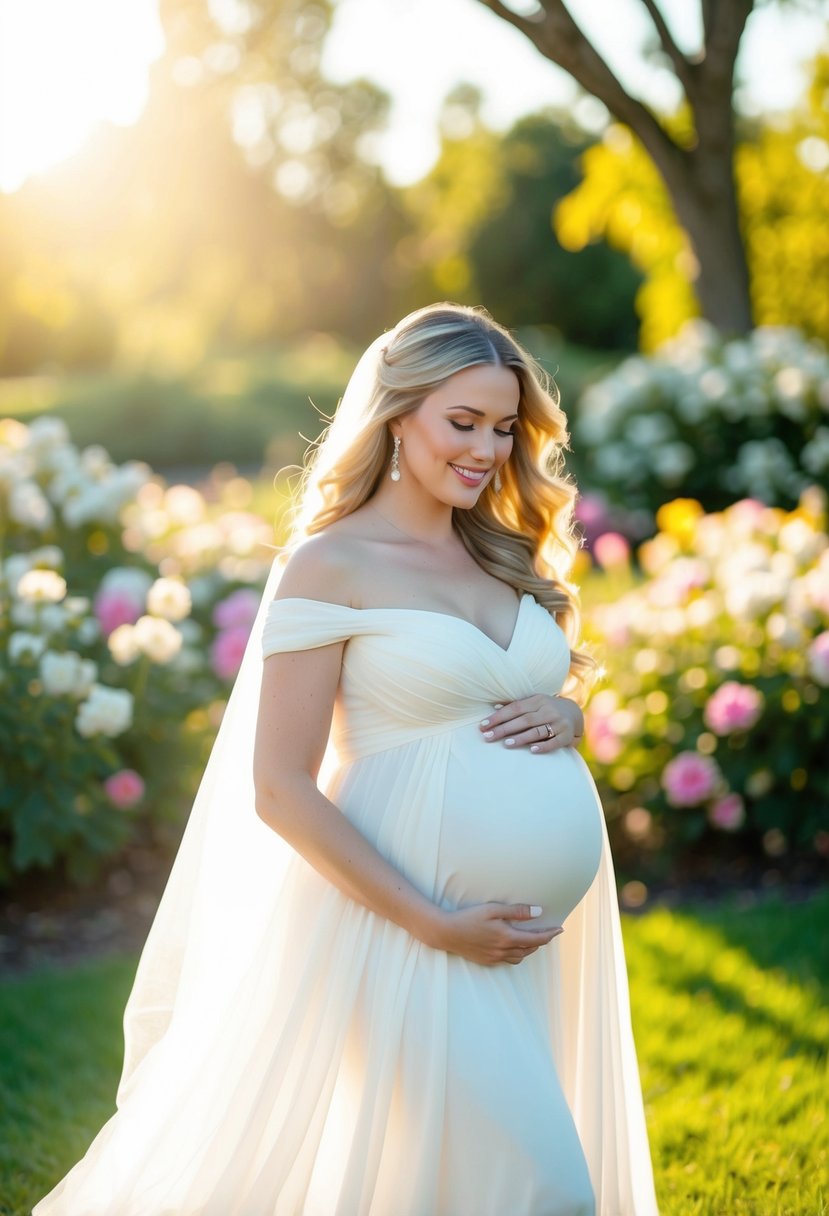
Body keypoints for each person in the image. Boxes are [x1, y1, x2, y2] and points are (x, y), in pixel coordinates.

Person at [34, 303, 658, 1215]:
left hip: (520, 946)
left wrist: (564, 713)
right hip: (403, 925)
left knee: (440, 1186)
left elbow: (504, 696)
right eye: (461, 421)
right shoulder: (330, 564)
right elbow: (280, 787)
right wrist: (431, 921)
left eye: (500, 426)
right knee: (544, 1189)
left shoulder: (502, 554)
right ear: (397, 413)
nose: (485, 448)